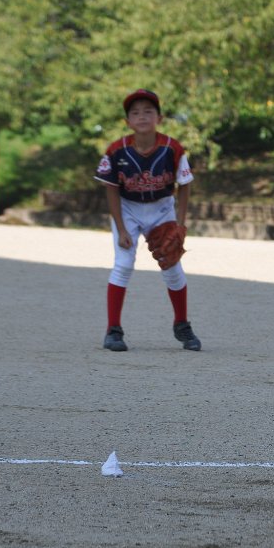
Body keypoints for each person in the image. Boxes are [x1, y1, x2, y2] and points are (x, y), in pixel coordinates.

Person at [94, 89, 201, 352]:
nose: (142, 116)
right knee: (123, 264)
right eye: (135, 112)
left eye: (148, 111)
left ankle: (181, 324)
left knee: (172, 267)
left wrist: (180, 224)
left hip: (162, 208)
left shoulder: (172, 148)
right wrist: (121, 228)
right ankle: (113, 330)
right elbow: (111, 189)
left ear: (159, 118)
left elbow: (185, 184)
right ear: (128, 121)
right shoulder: (116, 150)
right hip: (128, 209)